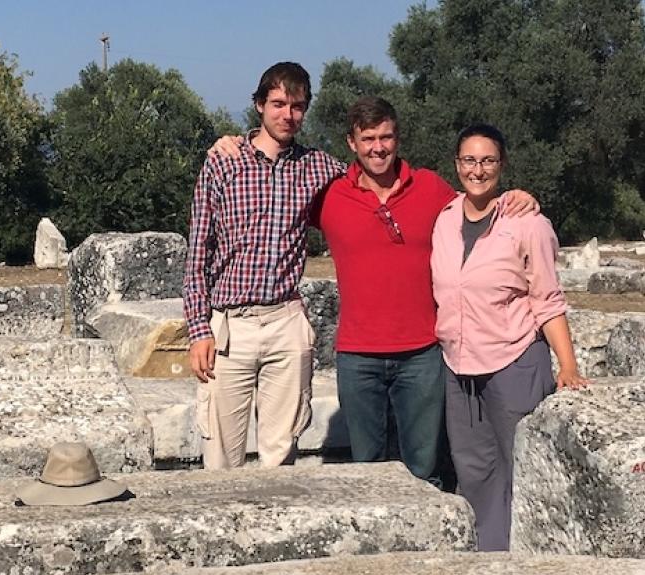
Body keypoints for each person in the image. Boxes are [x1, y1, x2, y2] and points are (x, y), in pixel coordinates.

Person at [206, 96, 538, 485]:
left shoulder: (430, 188)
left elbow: (476, 207)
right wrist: (232, 144)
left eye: (386, 137)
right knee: (366, 471)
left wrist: (518, 197)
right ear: (351, 142)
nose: (378, 147)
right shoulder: (330, 193)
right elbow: (274, 208)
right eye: (368, 139)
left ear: (398, 138)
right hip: (357, 355)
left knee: (424, 466)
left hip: (422, 354)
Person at [431, 124, 587, 552]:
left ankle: (528, 558)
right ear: (456, 164)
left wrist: (568, 366)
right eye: (469, 160)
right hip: (458, 364)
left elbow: (548, 298)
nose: (477, 170)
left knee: (520, 466)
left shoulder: (527, 223)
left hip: (513, 359)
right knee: (473, 467)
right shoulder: (444, 219)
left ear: (502, 165)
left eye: (487, 161)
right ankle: (489, 559)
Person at [182, 62, 344, 470]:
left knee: (282, 452)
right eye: (278, 104)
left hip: (285, 321)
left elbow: (376, 175)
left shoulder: (318, 167)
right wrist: (199, 331)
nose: (288, 115)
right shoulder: (223, 162)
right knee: (221, 457)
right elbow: (197, 254)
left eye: (297, 106)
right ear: (259, 105)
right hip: (230, 327)